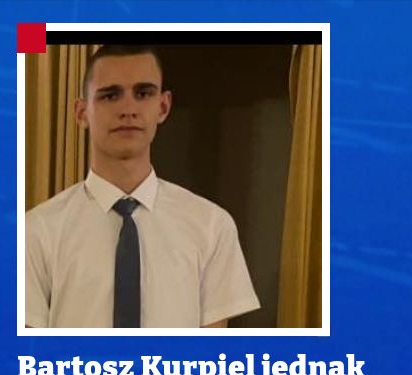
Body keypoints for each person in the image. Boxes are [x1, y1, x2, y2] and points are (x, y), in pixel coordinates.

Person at [25, 45, 259, 329]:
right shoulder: (37, 232)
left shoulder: (211, 226)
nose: (128, 110)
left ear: (163, 106)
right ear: (82, 112)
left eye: (143, 93)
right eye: (110, 95)